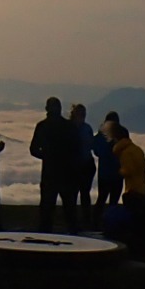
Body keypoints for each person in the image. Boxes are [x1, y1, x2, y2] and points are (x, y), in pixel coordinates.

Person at [29, 96, 84, 232]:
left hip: (49, 173)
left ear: (46, 109)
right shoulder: (69, 126)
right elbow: (77, 149)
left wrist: (47, 156)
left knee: (47, 210)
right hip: (67, 173)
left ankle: (45, 235)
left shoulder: (42, 126)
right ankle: (74, 236)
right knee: (70, 209)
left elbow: (33, 149)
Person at [68, 104, 96, 224]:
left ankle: (85, 220)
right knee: (74, 194)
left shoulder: (85, 128)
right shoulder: (71, 128)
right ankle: (75, 220)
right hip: (75, 166)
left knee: (84, 194)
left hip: (85, 166)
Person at [91, 116, 120, 225]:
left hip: (106, 173)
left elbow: (96, 150)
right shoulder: (120, 134)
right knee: (112, 201)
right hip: (115, 173)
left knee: (102, 199)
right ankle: (110, 223)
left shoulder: (101, 135)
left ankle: (97, 222)